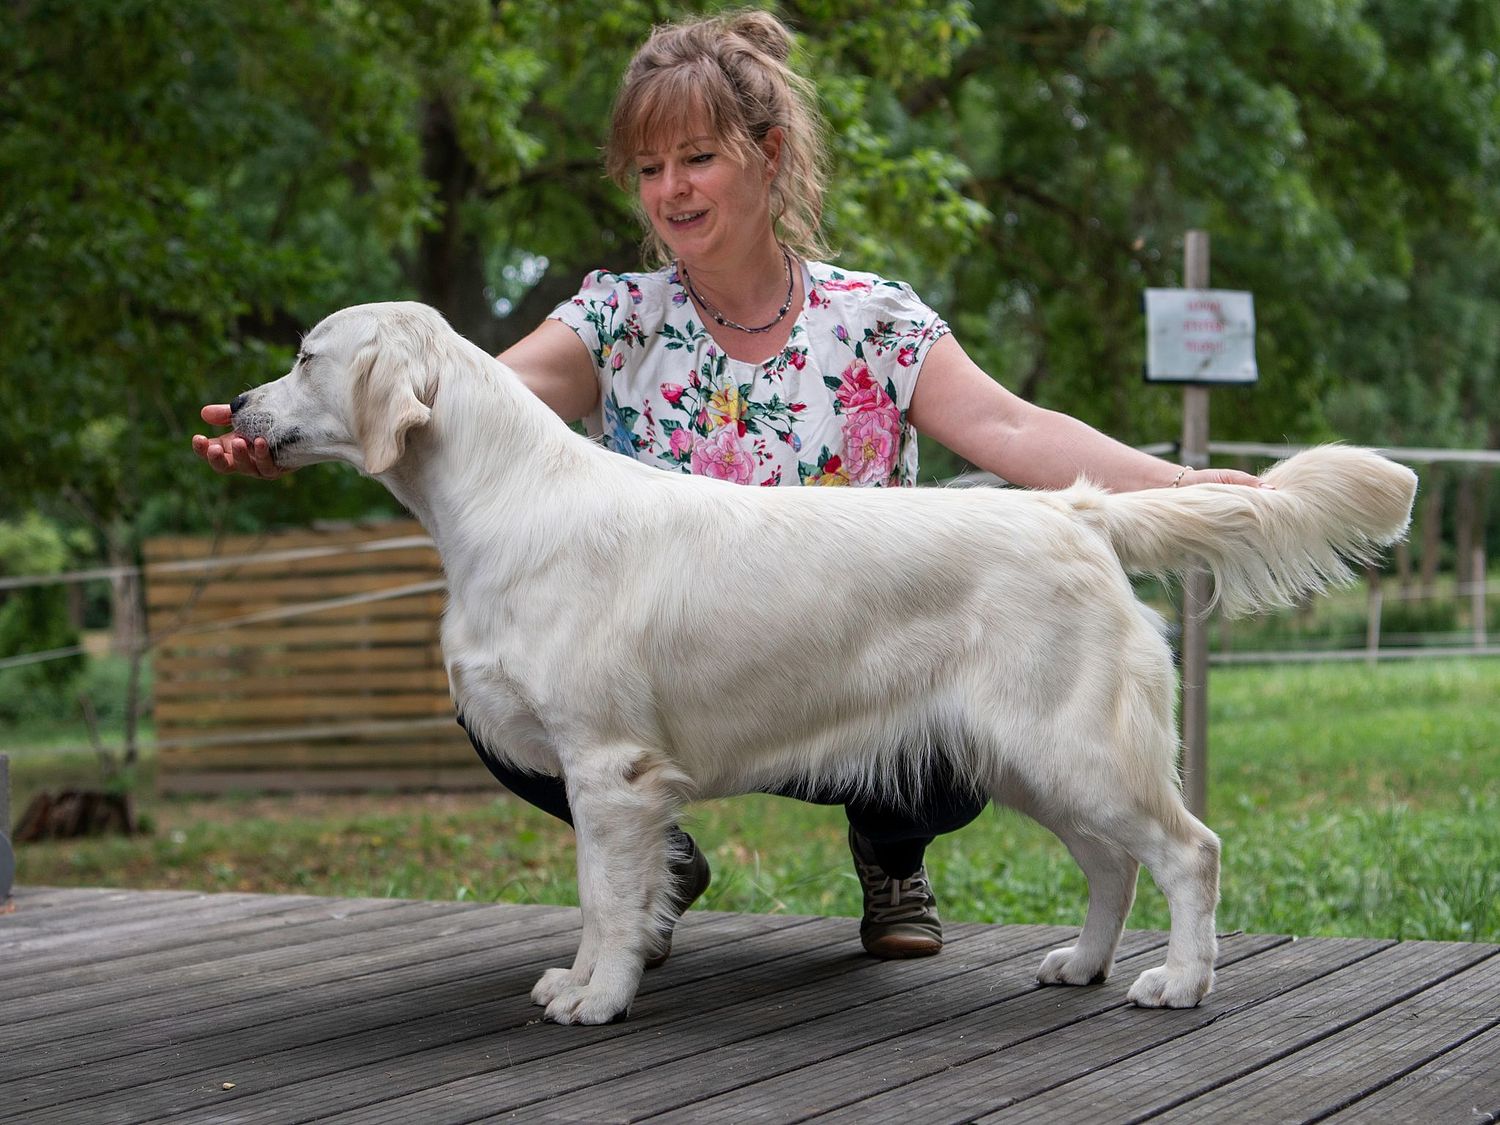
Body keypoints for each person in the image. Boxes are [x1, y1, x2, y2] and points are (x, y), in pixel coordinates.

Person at [193, 9, 1262, 968]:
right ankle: (657, 856)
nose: (671, 190)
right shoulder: (614, 316)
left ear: (768, 157)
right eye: (648, 169)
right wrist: (303, 431)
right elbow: (478, 401)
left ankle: (895, 863)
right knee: (511, 698)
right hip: (697, 681)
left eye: (696, 158)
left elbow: (1014, 427)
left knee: (969, 743)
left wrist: (1182, 486)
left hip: (867, 655)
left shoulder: (872, 319)